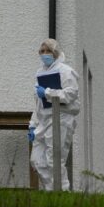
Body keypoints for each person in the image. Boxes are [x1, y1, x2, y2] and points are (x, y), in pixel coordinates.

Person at [28, 38, 80, 191]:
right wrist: (32, 125)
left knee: (54, 158)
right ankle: (50, 190)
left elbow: (70, 94)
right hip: (44, 120)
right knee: (37, 160)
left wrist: (48, 93)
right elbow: (38, 104)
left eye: (48, 51)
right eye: (42, 51)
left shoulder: (65, 71)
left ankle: (62, 191)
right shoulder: (40, 73)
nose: (45, 54)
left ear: (55, 52)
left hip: (61, 118)